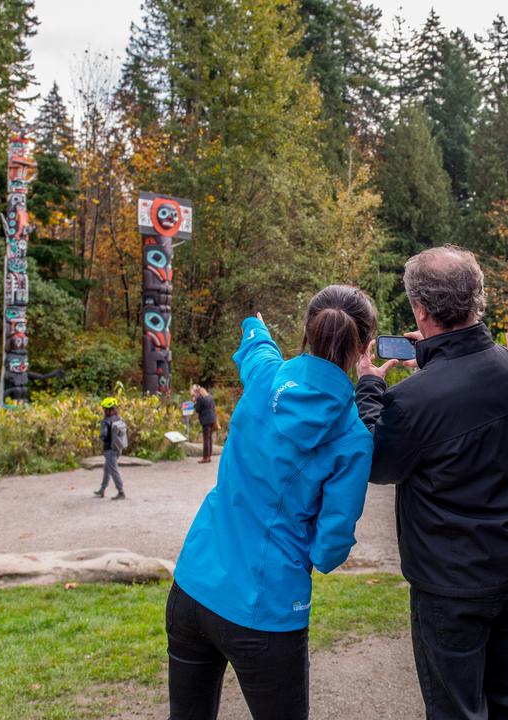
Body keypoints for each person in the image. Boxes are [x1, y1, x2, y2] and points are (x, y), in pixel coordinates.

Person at [166, 286, 378, 720]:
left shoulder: (266, 378)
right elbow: (330, 549)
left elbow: (256, 348)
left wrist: (256, 326)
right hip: (266, 609)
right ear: (365, 348)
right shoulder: (354, 438)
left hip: (193, 586)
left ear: (307, 331)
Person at [355, 246, 508, 720]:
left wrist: (370, 386)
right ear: (477, 300)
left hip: (451, 583)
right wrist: (433, 360)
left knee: (456, 712)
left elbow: (380, 465)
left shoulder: (415, 399)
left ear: (420, 311)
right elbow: (469, 398)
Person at [94, 396, 127, 500]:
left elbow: (103, 435)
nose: (104, 410)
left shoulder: (105, 422)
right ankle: (102, 489)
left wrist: (100, 437)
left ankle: (121, 492)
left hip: (109, 449)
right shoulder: (119, 418)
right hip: (118, 447)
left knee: (113, 470)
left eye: (105, 409)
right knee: (106, 469)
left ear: (108, 410)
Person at [190, 384, 218, 463]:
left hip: (206, 420)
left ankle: (205, 457)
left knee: (206, 439)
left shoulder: (200, 399)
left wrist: (194, 401)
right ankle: (209, 456)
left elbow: (197, 409)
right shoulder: (209, 397)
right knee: (210, 438)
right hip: (212, 419)